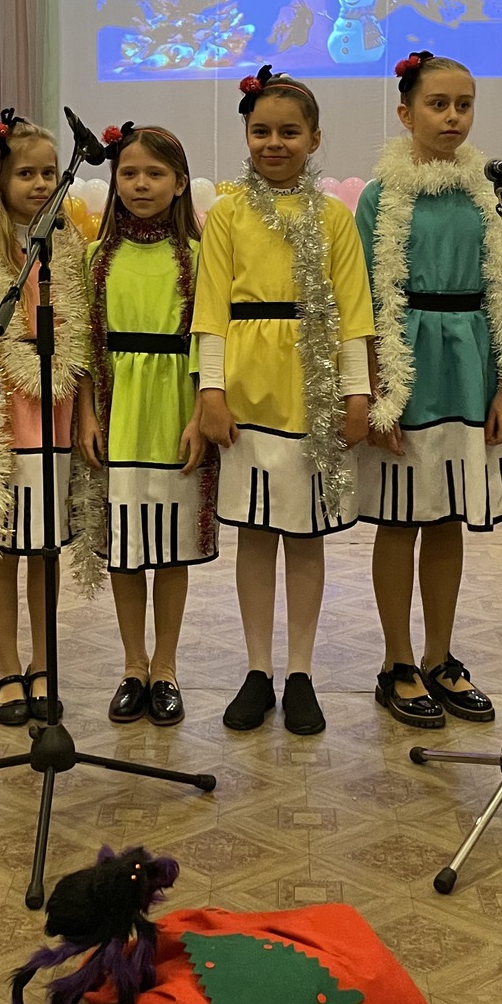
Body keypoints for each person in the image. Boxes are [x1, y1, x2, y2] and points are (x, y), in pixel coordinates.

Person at [194, 66, 375, 736]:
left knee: (304, 534)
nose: (275, 143)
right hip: (246, 393)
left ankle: (300, 671)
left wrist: (357, 393)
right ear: (247, 136)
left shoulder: (333, 218)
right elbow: (212, 310)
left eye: (290, 132)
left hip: (313, 391)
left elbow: (353, 314)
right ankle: (257, 670)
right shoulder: (227, 214)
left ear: (314, 139)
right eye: (262, 131)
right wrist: (211, 390)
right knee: (255, 533)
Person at [355, 52, 502, 730]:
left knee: (447, 516)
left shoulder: (487, 192)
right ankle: (397, 660)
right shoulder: (380, 196)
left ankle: (441, 655)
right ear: (406, 112)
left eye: (463, 104)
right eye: (437, 104)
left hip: (468, 367)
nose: (452, 117)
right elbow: (361, 301)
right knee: (401, 517)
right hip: (406, 366)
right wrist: (375, 391)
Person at [0, 113, 97, 727]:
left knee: (44, 550)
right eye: (26, 173)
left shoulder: (68, 249)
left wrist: (84, 414)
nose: (40, 184)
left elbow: (82, 342)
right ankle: (7, 666)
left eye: (49, 173)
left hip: (53, 419)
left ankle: (43, 661)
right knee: (0, 549)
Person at [75, 124, 214, 728]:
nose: (140, 184)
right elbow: (84, 345)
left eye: (155, 174)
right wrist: (85, 413)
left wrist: (199, 416)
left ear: (180, 183)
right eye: (128, 173)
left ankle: (166, 667)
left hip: (174, 410)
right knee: (127, 547)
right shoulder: (95, 257)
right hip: (118, 413)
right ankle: (133, 665)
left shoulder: (200, 257)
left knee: (171, 547)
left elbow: (209, 342)